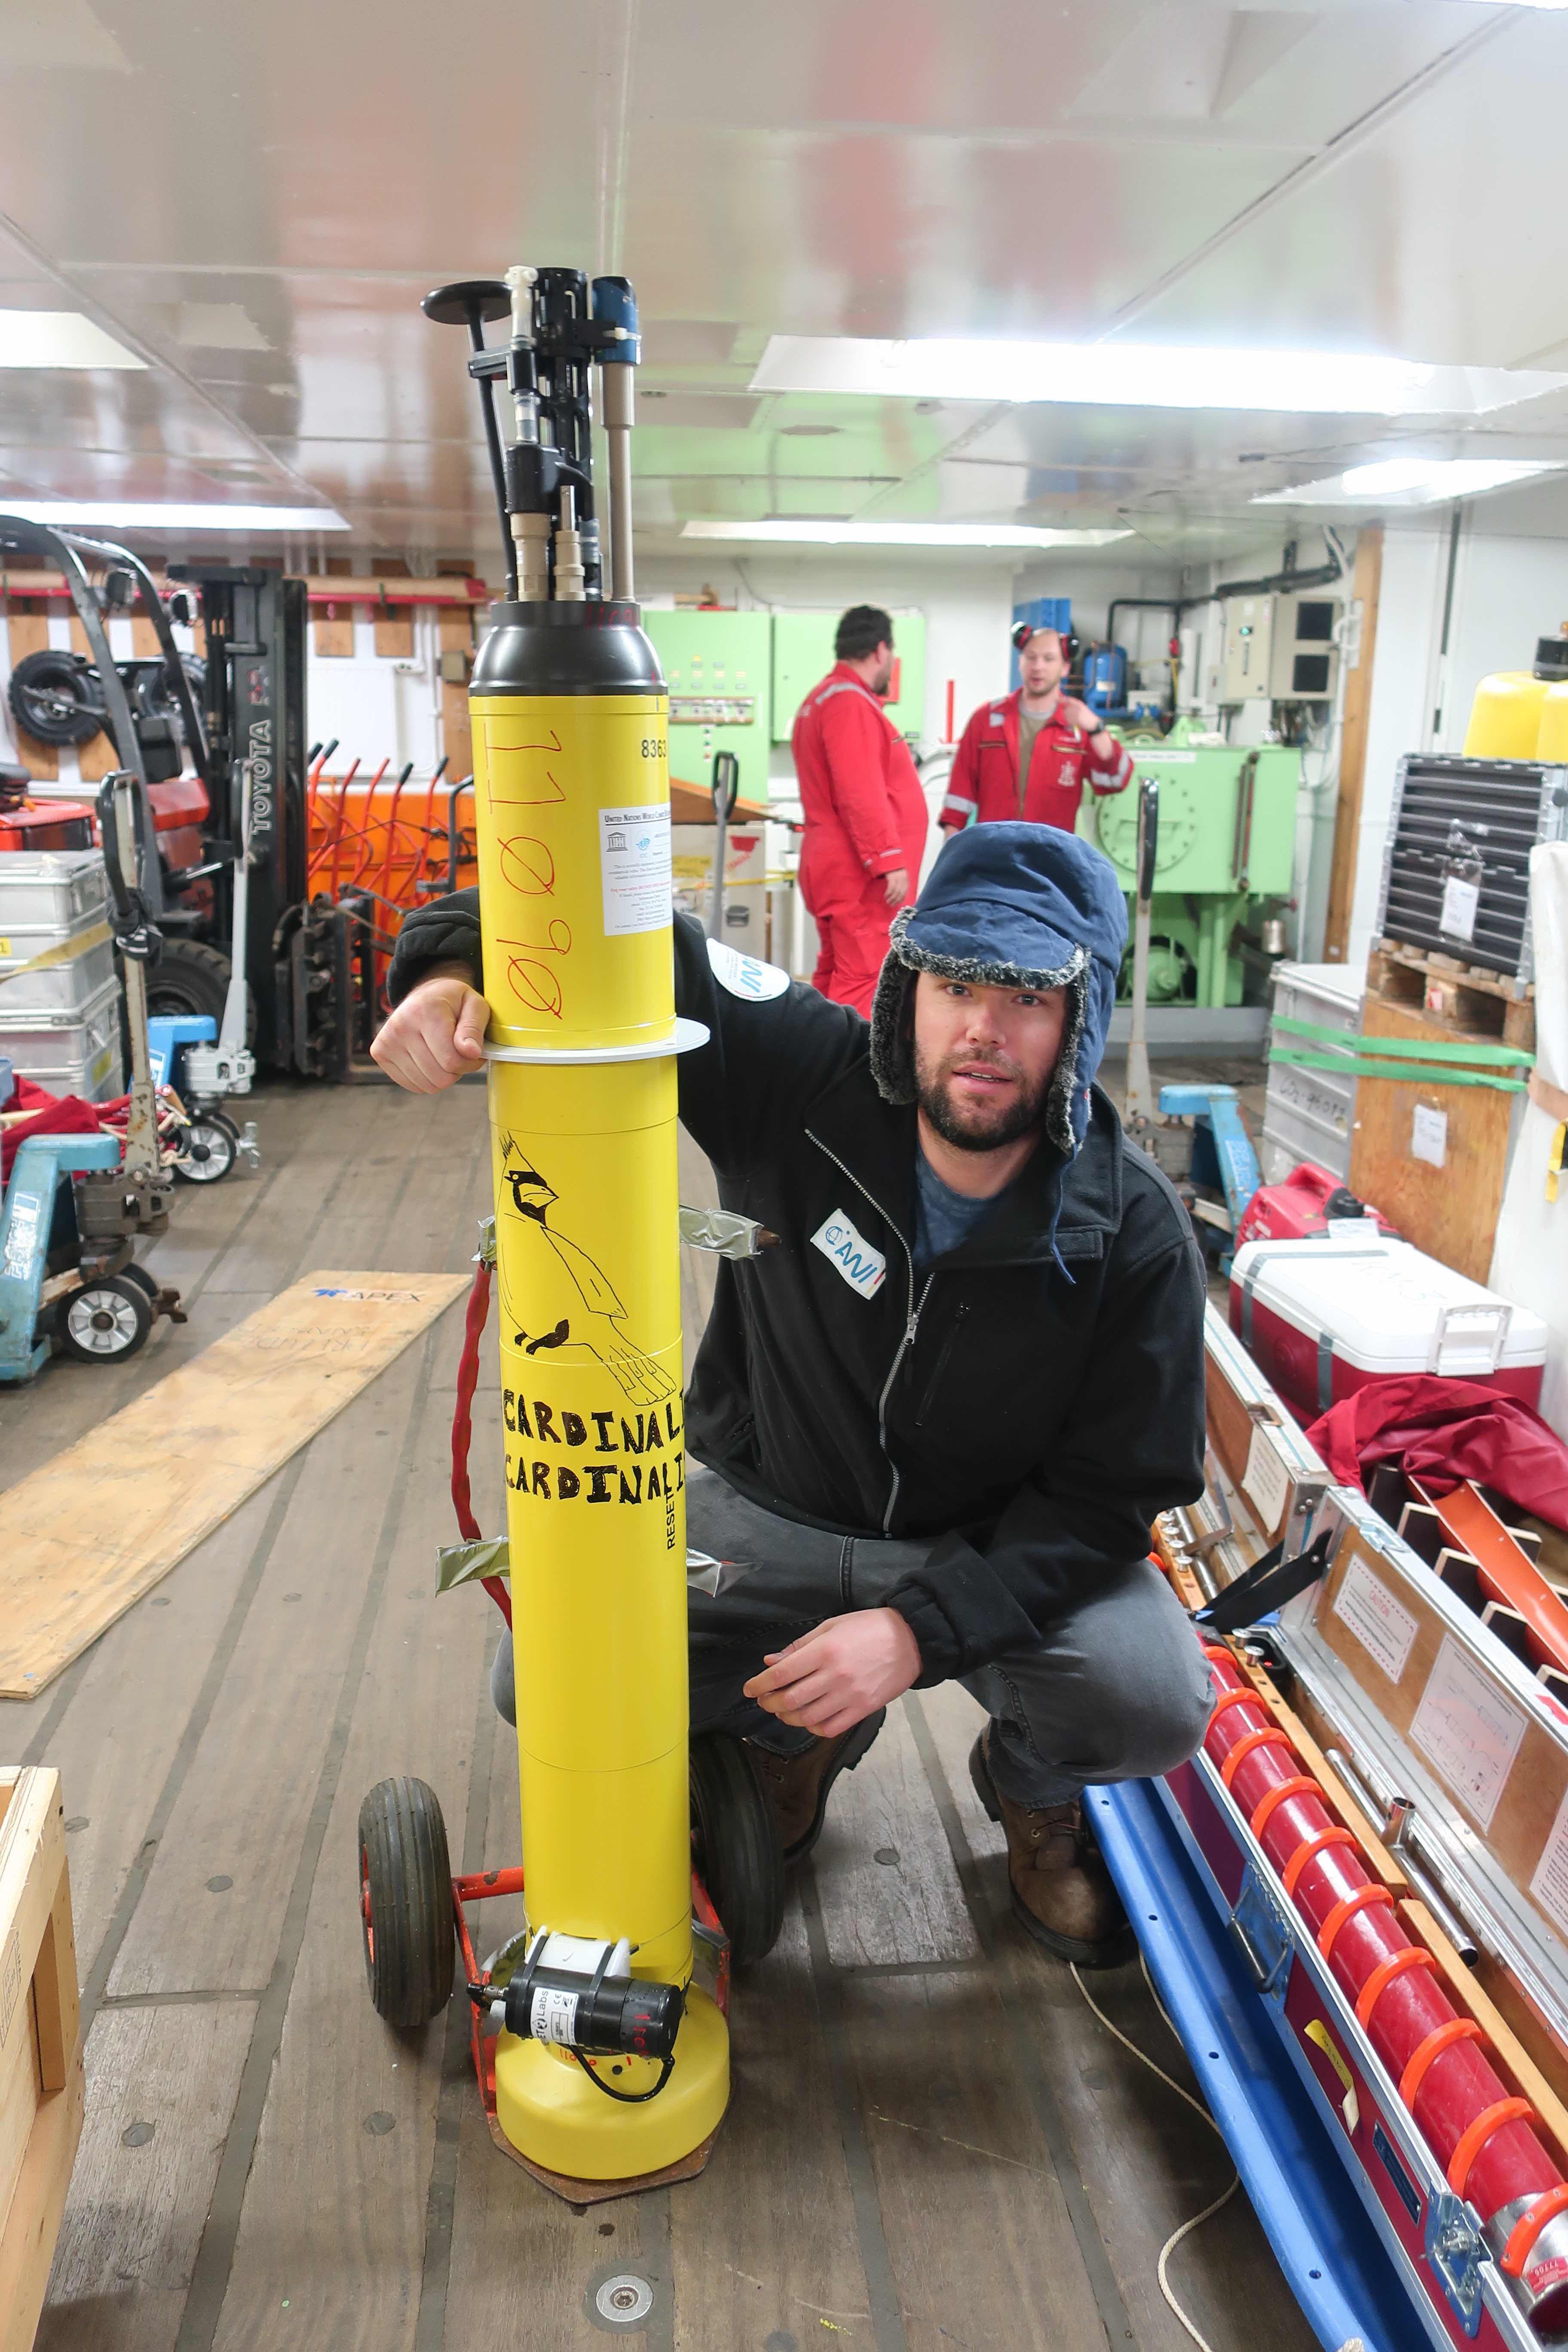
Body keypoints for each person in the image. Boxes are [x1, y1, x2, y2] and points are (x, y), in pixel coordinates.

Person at [371, 822, 1210, 1966]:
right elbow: (605, 925)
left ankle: (1033, 1784)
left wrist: (917, 1632)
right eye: (957, 985)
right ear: (909, 990)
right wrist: (445, 973)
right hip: (770, 1509)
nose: (982, 1029)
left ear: (1081, 1019)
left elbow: (1111, 1499)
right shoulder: (799, 1074)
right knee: (549, 1681)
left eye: (1026, 998)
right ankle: (785, 1738)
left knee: (1149, 1696)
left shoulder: (1134, 1231)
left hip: (985, 1548)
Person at [791, 605, 929, 1018]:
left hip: (836, 863)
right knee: (866, 978)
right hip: (859, 874)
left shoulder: (823, 698)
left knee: (837, 971)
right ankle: (856, 1060)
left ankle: (817, 1052)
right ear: (882, 650)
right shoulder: (849, 703)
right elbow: (861, 791)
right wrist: (888, 859)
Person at [940, 622, 1133, 837]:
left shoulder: (1078, 726)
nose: (1038, 667)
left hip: (1050, 854)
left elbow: (1115, 781)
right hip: (995, 851)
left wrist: (1096, 729)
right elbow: (959, 795)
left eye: (1049, 659)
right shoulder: (986, 719)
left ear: (1065, 667)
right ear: (1020, 662)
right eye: (1031, 657)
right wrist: (950, 850)